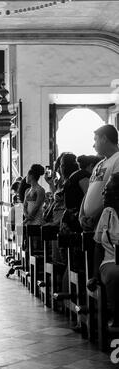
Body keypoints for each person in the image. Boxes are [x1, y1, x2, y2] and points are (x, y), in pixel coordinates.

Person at [87, 173, 119, 330]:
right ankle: (116, 315)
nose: (103, 194)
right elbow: (98, 245)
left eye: (107, 191)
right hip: (110, 260)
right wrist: (94, 275)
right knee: (115, 273)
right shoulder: (107, 213)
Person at [79, 124, 119, 231]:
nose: (93, 145)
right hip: (91, 225)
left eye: (95, 139)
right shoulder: (99, 164)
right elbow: (88, 191)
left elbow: (114, 195)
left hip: (107, 224)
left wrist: (96, 216)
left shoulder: (117, 160)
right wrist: (81, 215)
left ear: (104, 138)